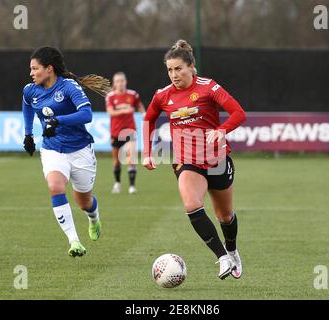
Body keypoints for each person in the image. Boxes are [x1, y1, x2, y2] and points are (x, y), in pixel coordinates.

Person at [143, 40, 247, 279]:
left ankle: (231, 250)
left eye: (179, 68)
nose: (174, 74)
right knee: (191, 204)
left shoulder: (209, 87)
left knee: (225, 215)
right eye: (170, 70)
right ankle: (221, 258)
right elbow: (148, 119)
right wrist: (147, 152)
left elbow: (239, 113)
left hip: (217, 160)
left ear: (191, 67)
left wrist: (221, 130)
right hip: (187, 161)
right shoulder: (162, 95)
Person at [22, 46, 111, 257]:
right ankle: (74, 241)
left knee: (84, 202)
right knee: (55, 185)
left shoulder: (69, 87)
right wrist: (27, 134)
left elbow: (87, 114)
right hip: (53, 149)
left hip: (80, 150)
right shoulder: (30, 90)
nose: (31, 73)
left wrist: (58, 120)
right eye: (31, 69)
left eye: (35, 69)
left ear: (49, 69)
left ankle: (93, 217)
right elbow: (26, 105)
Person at [105, 72, 145, 194]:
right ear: (114, 83)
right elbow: (110, 112)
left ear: (125, 82)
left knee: (131, 157)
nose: (120, 83)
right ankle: (117, 183)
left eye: (122, 80)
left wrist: (144, 115)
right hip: (116, 132)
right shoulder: (110, 97)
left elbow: (139, 106)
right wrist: (126, 110)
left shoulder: (133, 95)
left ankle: (132, 186)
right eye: (117, 81)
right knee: (116, 161)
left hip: (130, 130)